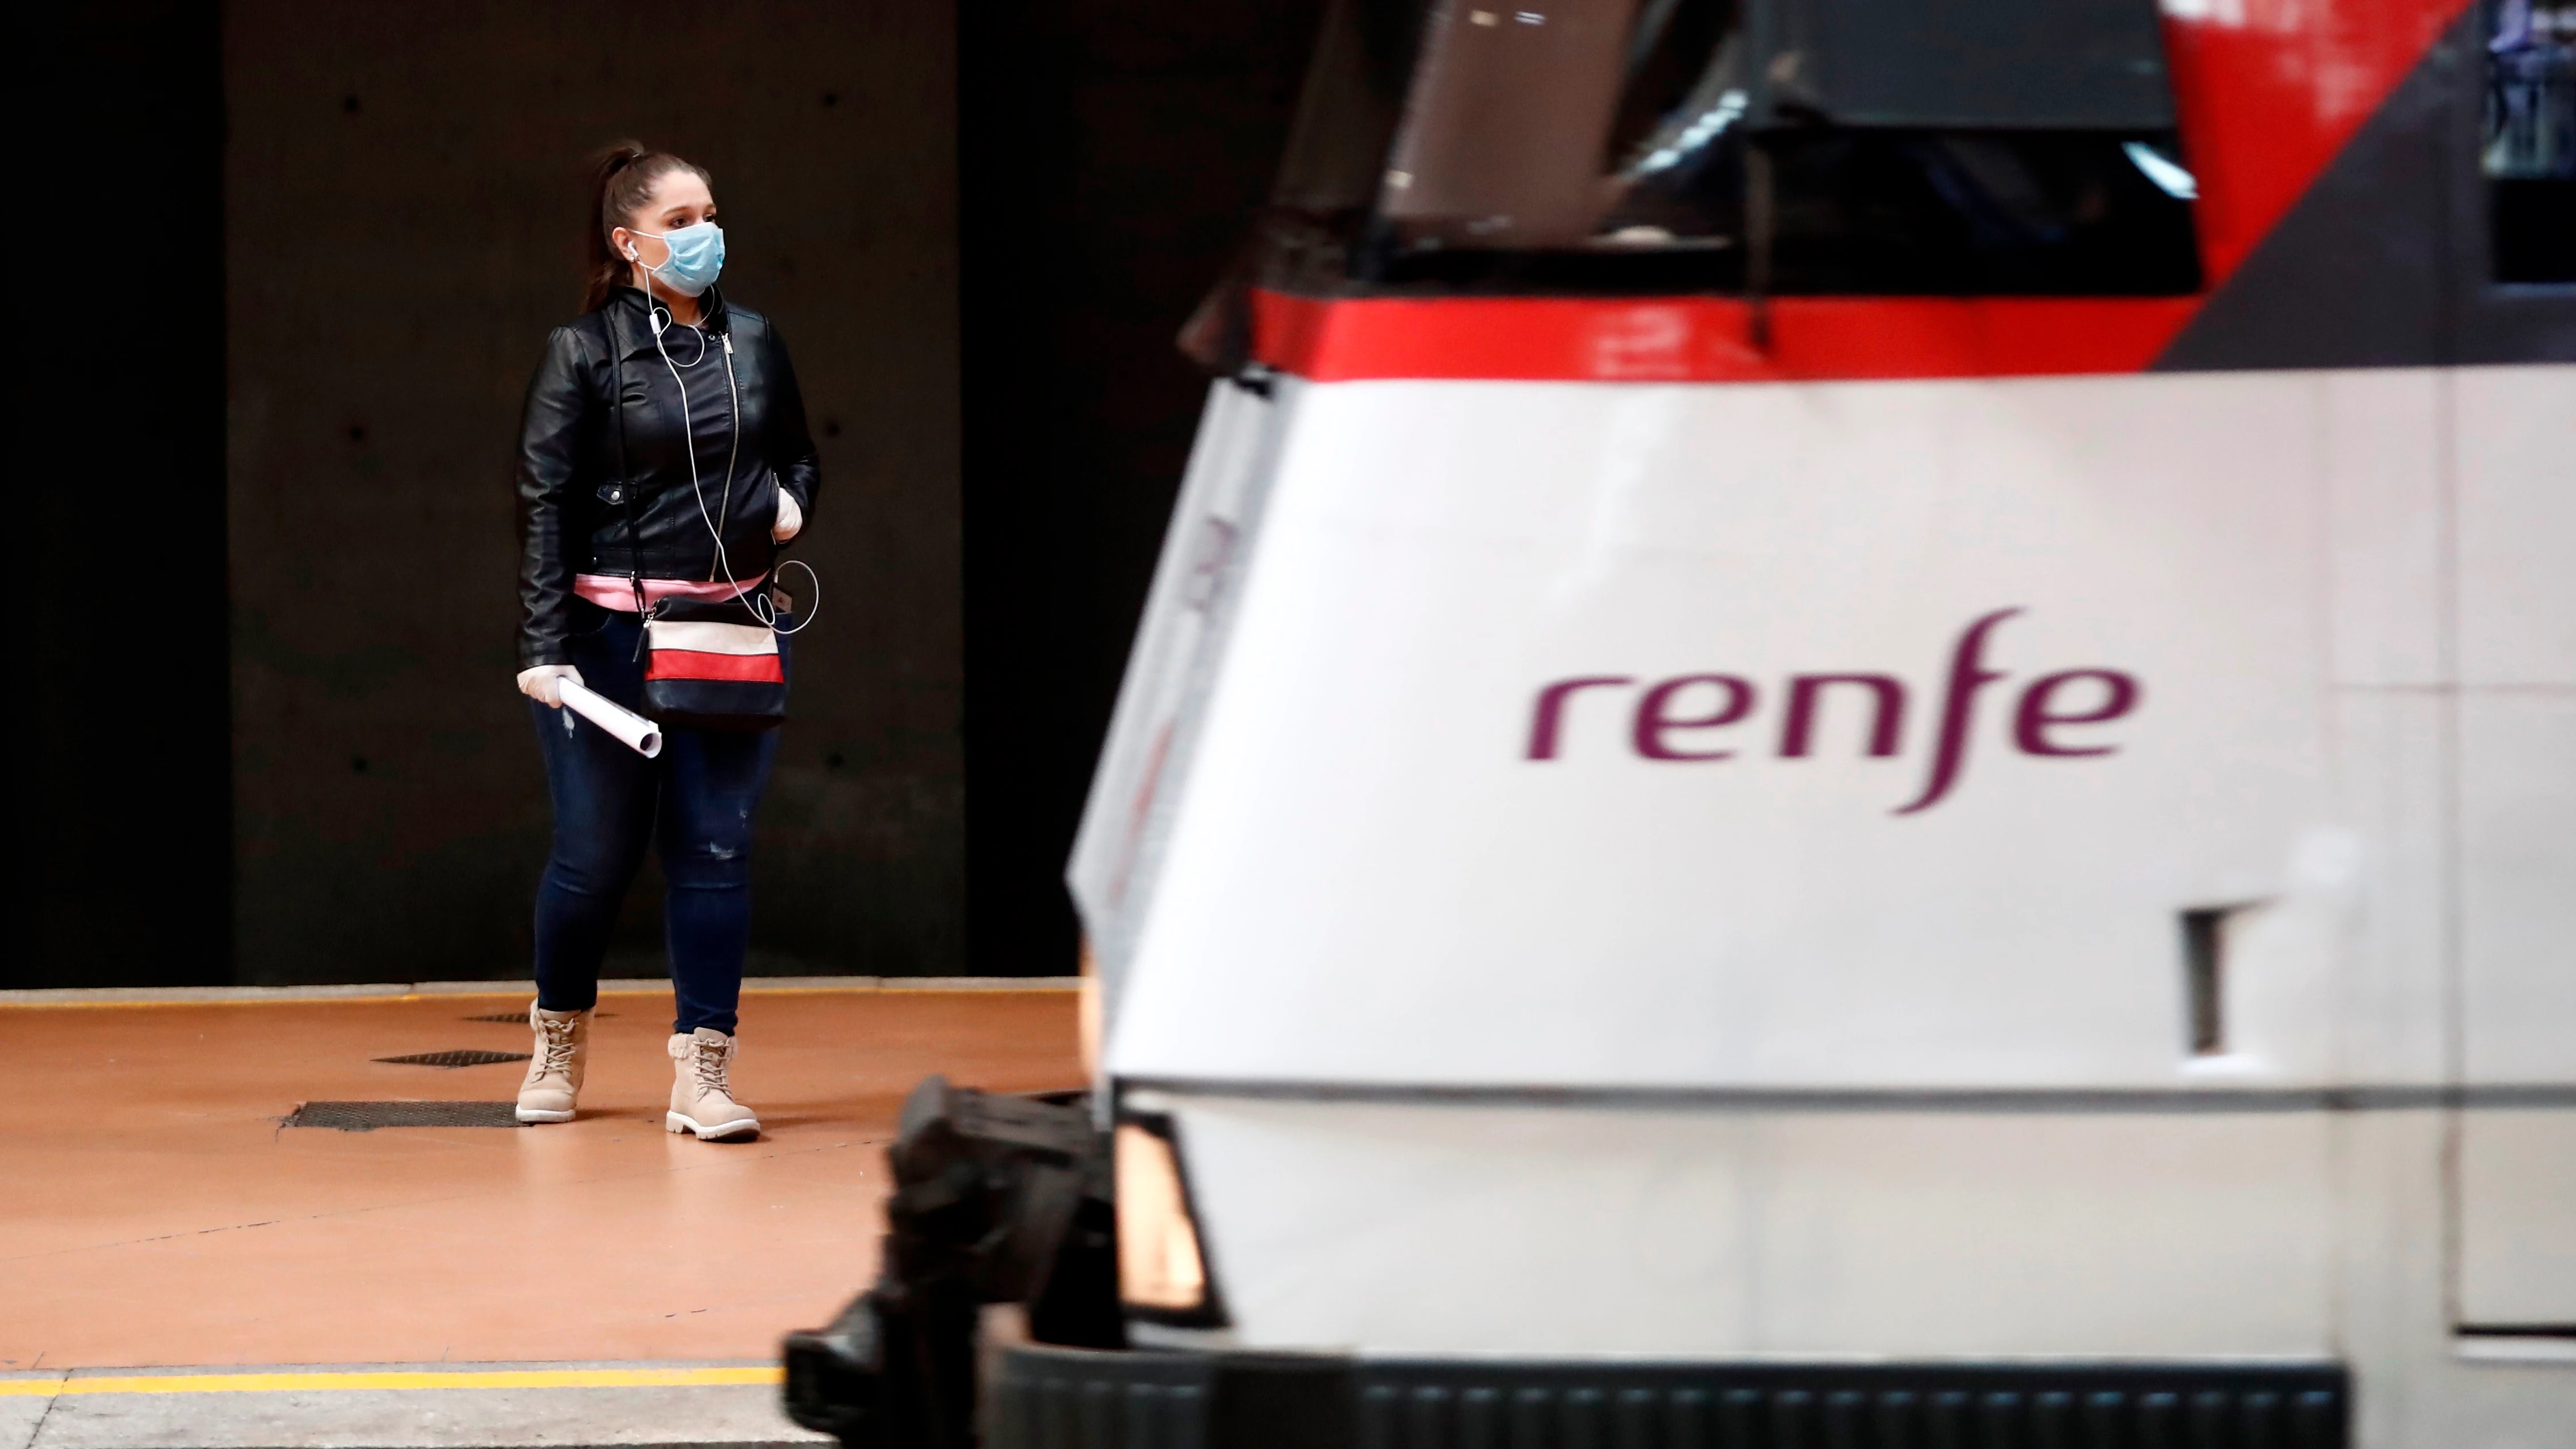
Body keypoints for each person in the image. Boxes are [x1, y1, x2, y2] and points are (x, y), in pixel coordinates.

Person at [508, 143, 819, 1140]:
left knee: (715, 850)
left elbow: (801, 455)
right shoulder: (584, 352)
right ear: (628, 242)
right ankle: (559, 1031)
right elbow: (543, 503)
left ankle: (705, 1069)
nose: (703, 235)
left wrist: (789, 507)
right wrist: (545, 647)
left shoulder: (757, 342)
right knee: (595, 854)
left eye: (710, 214)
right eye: (680, 220)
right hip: (606, 643)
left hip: (731, 624)